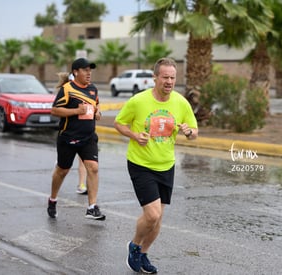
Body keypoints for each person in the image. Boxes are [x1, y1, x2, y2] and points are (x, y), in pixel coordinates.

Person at [114, 57, 198, 273]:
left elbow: (194, 133)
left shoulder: (181, 103)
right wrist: (134, 135)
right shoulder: (138, 101)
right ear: (155, 78)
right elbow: (119, 123)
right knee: (152, 215)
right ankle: (134, 246)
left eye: (173, 77)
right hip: (141, 163)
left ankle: (143, 254)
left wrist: (189, 132)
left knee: (158, 218)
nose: (169, 81)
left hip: (166, 164)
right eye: (165, 77)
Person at [47, 58, 105, 220]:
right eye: (85, 70)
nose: (89, 73)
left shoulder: (93, 89)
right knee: (62, 171)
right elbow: (55, 110)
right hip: (69, 137)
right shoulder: (67, 89)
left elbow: (96, 105)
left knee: (93, 167)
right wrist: (75, 111)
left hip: (88, 137)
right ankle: (52, 199)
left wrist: (97, 112)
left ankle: (92, 207)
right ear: (75, 72)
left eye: (90, 70)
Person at [55, 72, 88, 195]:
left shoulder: (87, 92)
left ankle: (81, 185)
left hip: (83, 132)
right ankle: (59, 169)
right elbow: (57, 110)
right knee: (63, 167)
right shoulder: (66, 92)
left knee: (83, 160)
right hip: (68, 134)